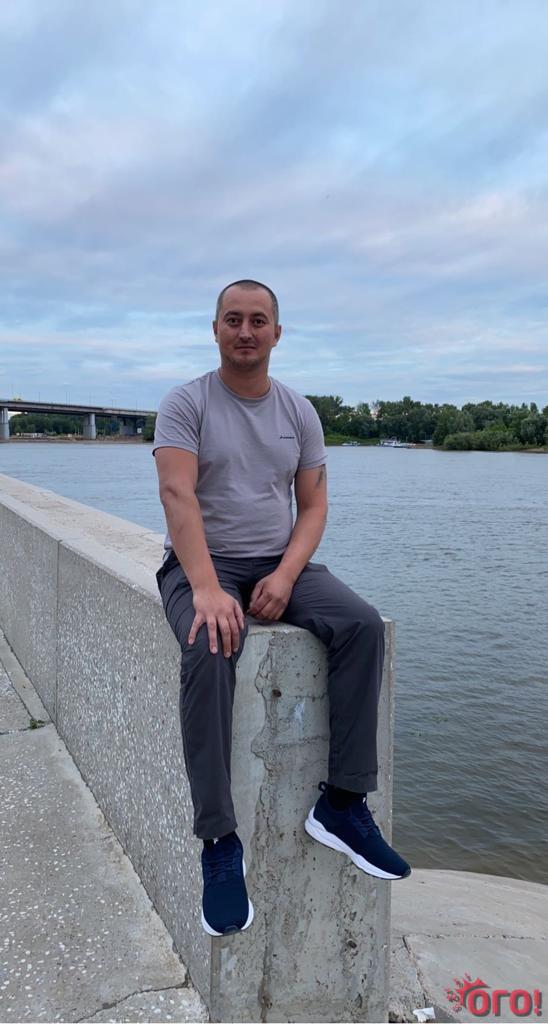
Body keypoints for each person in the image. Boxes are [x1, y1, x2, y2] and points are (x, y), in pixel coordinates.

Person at [152, 279, 410, 936]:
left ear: (276, 333)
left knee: (361, 626)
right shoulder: (186, 403)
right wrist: (206, 587)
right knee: (209, 645)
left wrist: (288, 574)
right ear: (215, 329)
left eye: (258, 320)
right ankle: (219, 840)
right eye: (233, 319)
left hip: (276, 562)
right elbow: (178, 495)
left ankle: (342, 804)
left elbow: (314, 505)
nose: (246, 331)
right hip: (201, 564)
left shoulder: (299, 412)